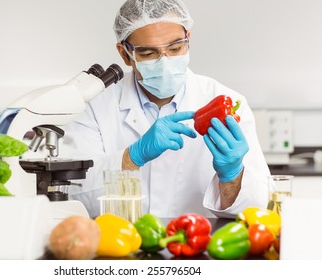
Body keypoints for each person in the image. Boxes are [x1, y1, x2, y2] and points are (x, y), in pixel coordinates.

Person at [64, 0, 270, 219]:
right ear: (125, 54)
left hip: (197, 247)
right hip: (120, 245)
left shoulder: (228, 102)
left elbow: (255, 211)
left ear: (188, 39)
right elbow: (74, 197)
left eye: (175, 48)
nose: (165, 62)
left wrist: (232, 175)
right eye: (148, 53)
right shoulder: (94, 106)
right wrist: (131, 158)